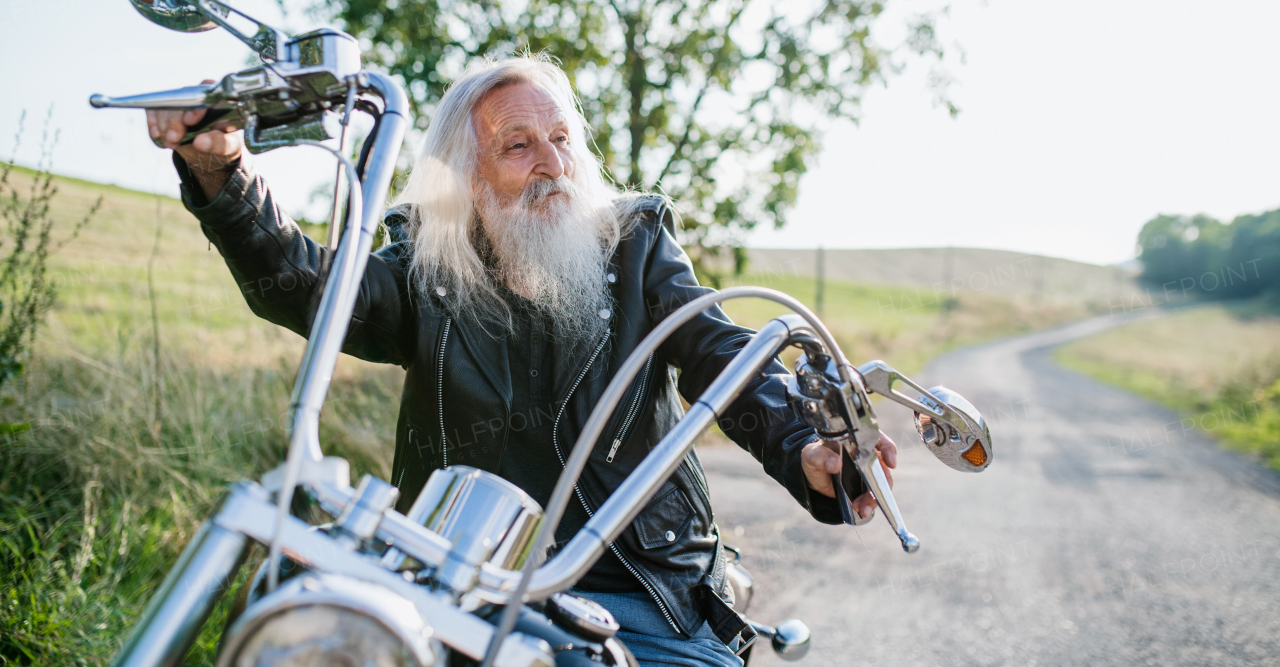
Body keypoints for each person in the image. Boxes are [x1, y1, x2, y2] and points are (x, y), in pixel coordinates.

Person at [146, 54, 897, 667]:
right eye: (518, 144)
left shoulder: (633, 247)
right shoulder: (426, 269)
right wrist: (223, 172)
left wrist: (806, 445)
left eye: (562, 138)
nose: (551, 163)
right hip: (461, 577)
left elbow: (720, 351)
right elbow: (314, 287)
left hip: (638, 589)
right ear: (471, 177)